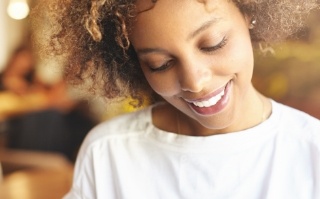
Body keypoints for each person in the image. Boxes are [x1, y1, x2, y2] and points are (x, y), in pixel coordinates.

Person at [31, 0, 320, 198]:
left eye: (213, 43)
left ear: (247, 13)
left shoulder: (311, 151)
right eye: (160, 64)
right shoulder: (109, 154)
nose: (195, 82)